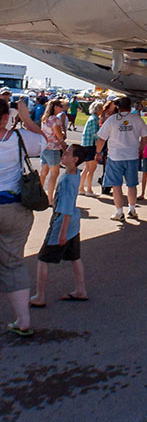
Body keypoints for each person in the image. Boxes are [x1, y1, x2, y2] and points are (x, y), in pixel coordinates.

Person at [0, 97, 46, 336]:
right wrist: (27, 119)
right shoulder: (19, 139)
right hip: (14, 207)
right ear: (6, 118)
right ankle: (23, 320)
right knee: (13, 263)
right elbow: (46, 142)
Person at [30, 144, 88, 305]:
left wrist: (62, 232)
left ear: (75, 159)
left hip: (62, 222)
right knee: (75, 257)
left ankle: (39, 296)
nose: (63, 154)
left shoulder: (68, 180)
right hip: (74, 225)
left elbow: (67, 209)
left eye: (67, 153)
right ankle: (81, 290)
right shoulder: (75, 174)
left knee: (43, 258)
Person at [95, 96, 147, 221]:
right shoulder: (137, 119)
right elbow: (145, 136)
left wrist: (98, 152)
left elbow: (101, 138)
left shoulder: (112, 119)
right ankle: (132, 209)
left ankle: (119, 212)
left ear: (118, 107)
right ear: (130, 106)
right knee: (132, 185)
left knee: (116, 186)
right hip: (132, 156)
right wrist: (141, 149)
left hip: (115, 156)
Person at [39, 99, 67, 203]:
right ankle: (50, 199)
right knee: (54, 174)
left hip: (45, 147)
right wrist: (63, 134)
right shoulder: (56, 120)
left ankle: (40, 194)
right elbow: (59, 136)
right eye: (60, 106)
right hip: (54, 149)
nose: (62, 108)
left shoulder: (45, 118)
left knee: (43, 173)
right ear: (55, 107)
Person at [80, 99, 104, 195]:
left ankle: (81, 187)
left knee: (86, 168)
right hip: (91, 145)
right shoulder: (95, 119)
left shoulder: (91, 118)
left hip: (86, 145)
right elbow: (95, 134)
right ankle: (89, 189)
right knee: (92, 169)